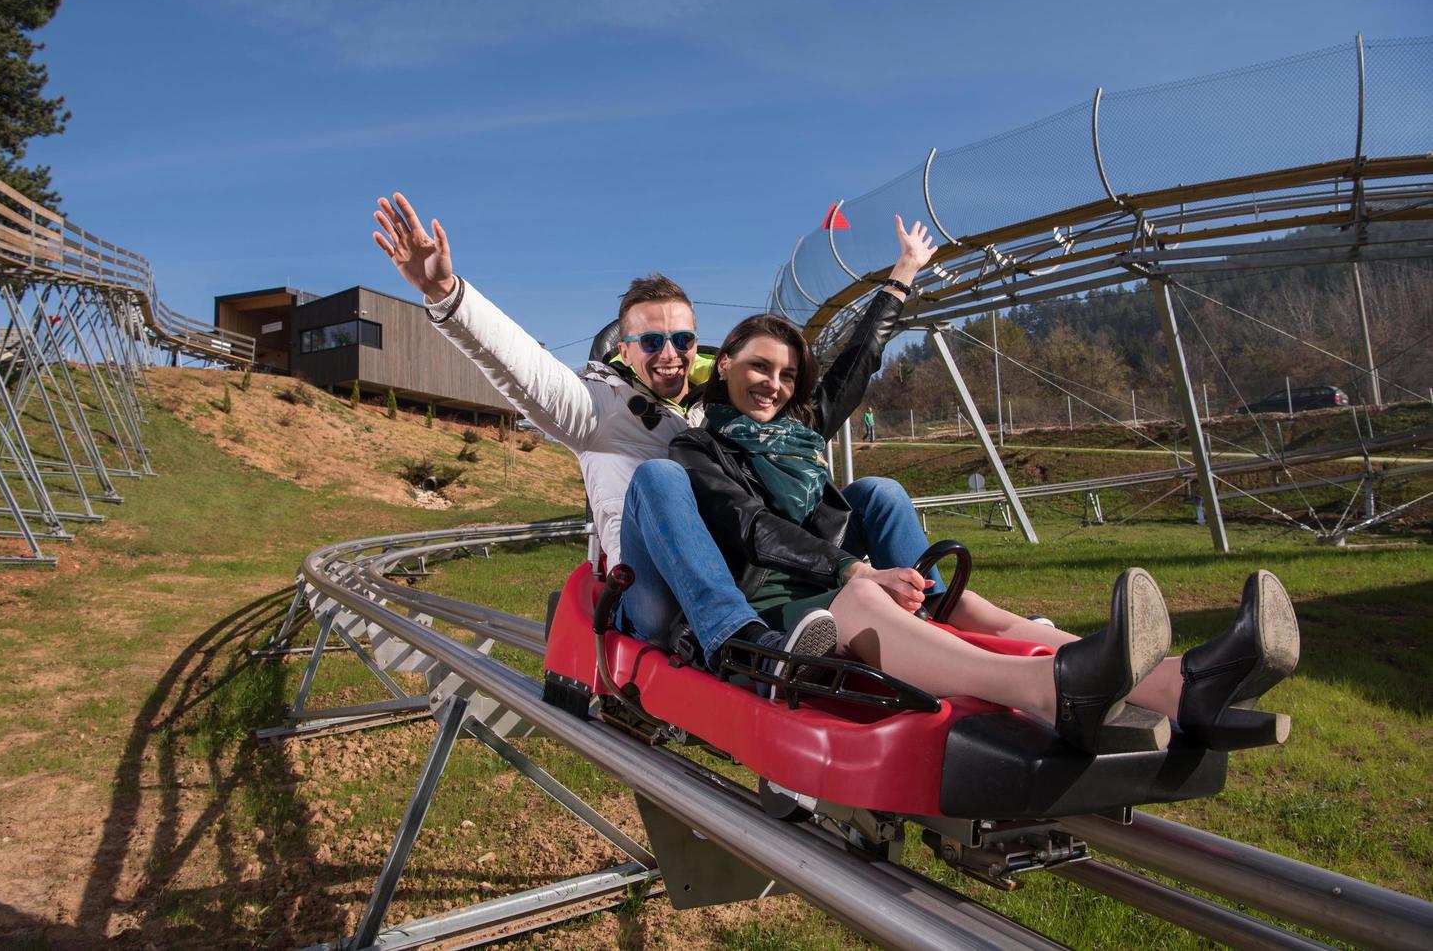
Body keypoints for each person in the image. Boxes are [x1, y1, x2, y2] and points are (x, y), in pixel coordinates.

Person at [669, 312, 1302, 755]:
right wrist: (856, 572)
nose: (773, 385)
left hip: (834, 583)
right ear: (722, 363)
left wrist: (900, 282)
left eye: (785, 375)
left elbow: (854, 369)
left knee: (961, 603)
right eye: (759, 367)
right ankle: (1051, 692)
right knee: (867, 599)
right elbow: (751, 532)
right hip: (781, 602)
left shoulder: (798, 435)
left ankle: (1179, 684)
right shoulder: (699, 448)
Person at [371, 192, 943, 668]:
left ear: (701, 347)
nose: (668, 354)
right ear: (625, 349)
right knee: (663, 477)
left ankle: (937, 613)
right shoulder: (595, 408)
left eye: (682, 340)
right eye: (650, 342)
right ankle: (740, 644)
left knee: (873, 493)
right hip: (653, 589)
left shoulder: (716, 412)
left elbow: (836, 387)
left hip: (735, 566)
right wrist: (447, 296)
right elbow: (526, 371)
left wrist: (899, 280)